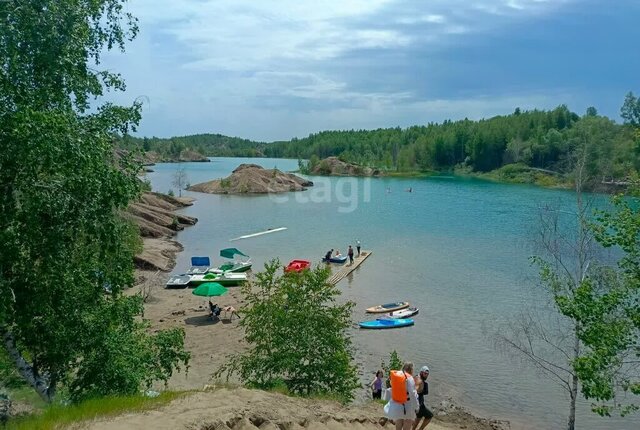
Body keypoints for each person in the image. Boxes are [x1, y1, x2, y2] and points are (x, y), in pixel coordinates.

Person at [384, 362, 418, 430]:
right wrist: (417, 407)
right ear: (411, 370)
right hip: (408, 407)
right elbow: (413, 394)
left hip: (396, 405)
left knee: (398, 426)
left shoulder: (396, 375)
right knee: (407, 425)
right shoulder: (410, 378)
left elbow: (391, 387)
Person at [412, 366, 433, 430]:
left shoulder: (416, 378)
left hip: (418, 404)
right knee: (430, 416)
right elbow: (423, 391)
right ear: (421, 372)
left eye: (427, 374)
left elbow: (425, 392)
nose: (426, 376)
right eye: (425, 374)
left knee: (418, 419)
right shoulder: (419, 380)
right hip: (419, 405)